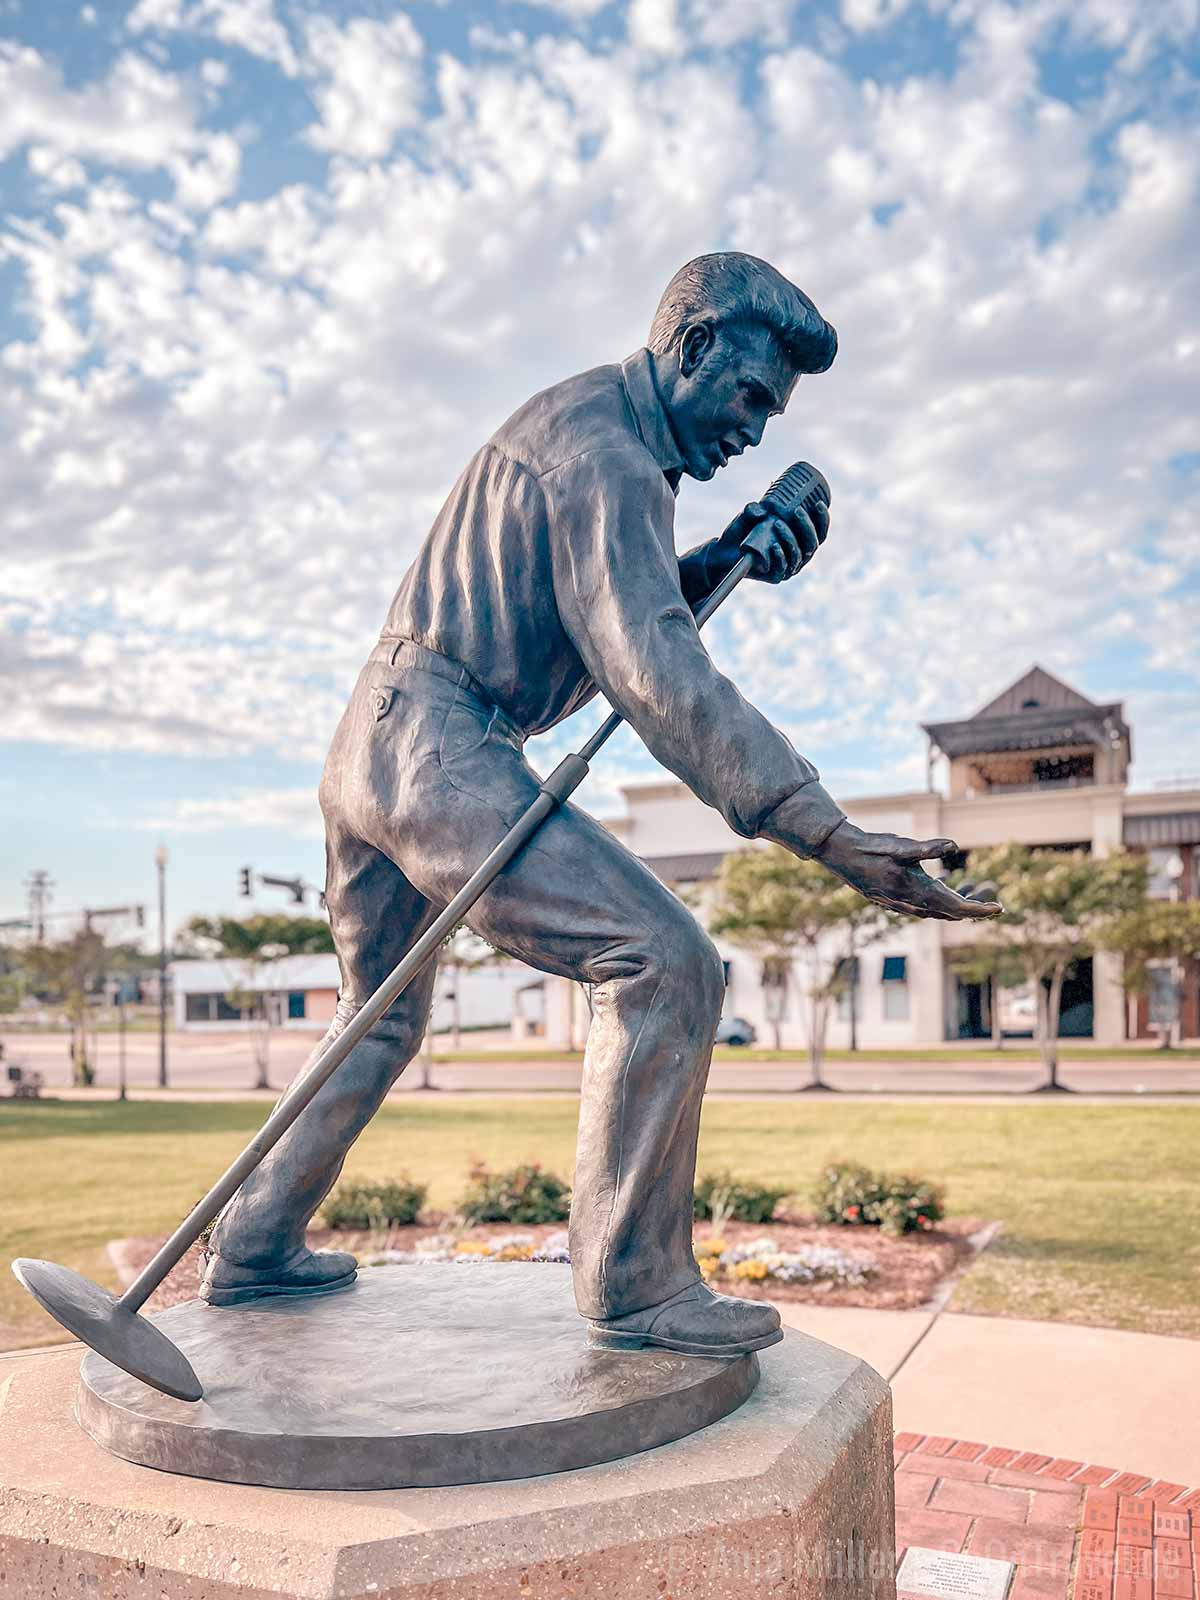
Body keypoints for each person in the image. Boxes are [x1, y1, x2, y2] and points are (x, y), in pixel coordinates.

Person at [202, 253, 999, 1356]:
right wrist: (831, 833)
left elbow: (597, 619)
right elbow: (654, 672)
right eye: (754, 395)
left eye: (775, 412)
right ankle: (636, 1283)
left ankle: (249, 1242)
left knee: (379, 1013)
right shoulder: (611, 457)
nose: (756, 432)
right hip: (441, 739)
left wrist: (722, 558)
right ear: (695, 343)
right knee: (666, 962)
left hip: (372, 740)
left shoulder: (594, 434)